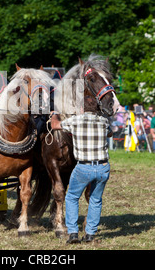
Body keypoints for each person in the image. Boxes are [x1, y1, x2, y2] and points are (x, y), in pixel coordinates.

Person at [50, 95, 112, 244]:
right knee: (96, 200)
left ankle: (73, 233)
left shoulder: (75, 121)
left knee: (71, 197)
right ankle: (90, 234)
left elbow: (55, 125)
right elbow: (110, 133)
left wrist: (54, 114)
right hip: (103, 167)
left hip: (84, 167)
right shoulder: (104, 121)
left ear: (81, 108)